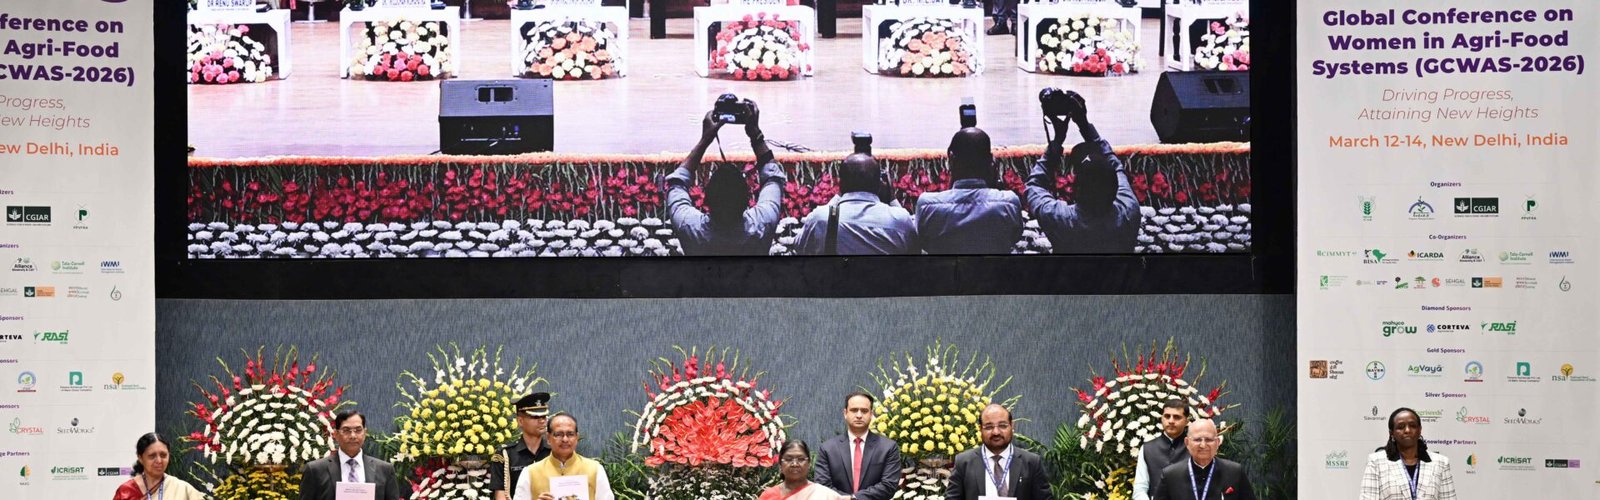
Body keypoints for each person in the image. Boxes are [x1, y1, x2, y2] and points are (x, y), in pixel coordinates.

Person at [664, 99, 786, 255]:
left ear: (706, 199)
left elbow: (677, 183)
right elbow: (773, 178)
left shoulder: (689, 225)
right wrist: (755, 134)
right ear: (748, 200)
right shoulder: (763, 221)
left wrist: (705, 139)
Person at [1025, 91, 1141, 254]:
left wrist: (1057, 140)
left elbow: (1033, 186)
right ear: (1115, 189)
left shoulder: (1061, 217)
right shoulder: (1129, 210)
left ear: (1075, 189)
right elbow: (1116, 166)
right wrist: (1084, 124)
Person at [914, 127, 1024, 254]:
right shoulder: (1009, 203)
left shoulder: (927, 205)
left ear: (951, 159)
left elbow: (922, 242)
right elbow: (1014, 237)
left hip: (946, 273)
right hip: (993, 273)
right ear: (990, 161)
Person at [793, 152, 918, 255]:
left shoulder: (821, 219)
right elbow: (914, 250)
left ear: (841, 185)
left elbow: (799, 246)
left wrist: (837, 196)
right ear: (879, 185)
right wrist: (892, 199)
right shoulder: (899, 220)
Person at [945, 404, 1052, 500]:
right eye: (989, 427)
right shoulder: (963, 462)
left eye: (1002, 426)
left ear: (1012, 426)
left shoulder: (1031, 462)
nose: (996, 432)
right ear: (980, 429)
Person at [814, 391, 902, 500]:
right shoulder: (827, 449)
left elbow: (888, 485)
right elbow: (822, 486)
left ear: (871, 414)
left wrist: (854, 498)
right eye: (854, 410)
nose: (859, 415)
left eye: (864, 411)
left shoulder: (888, 447)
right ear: (845, 413)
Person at [299, 410, 402, 500]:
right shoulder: (315, 470)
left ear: (365, 433)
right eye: (346, 430)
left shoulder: (385, 470)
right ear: (336, 434)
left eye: (358, 430)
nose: (353, 436)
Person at [1360, 408, 1458, 500]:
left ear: (1420, 430)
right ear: (1391, 433)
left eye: (1412, 425)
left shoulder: (1440, 462)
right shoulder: (1376, 462)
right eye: (1401, 427)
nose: (1407, 430)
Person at [512, 413, 616, 500]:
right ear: (548, 438)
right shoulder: (530, 473)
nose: (565, 439)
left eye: (570, 434)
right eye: (558, 434)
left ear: (577, 438)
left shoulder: (595, 469)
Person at [1150, 420, 1254, 500]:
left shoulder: (1235, 472)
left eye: (1208, 440)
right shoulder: (1170, 475)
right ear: (1187, 443)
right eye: (1197, 439)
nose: (1203, 445)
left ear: (1217, 443)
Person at [492, 392, 555, 500]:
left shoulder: (554, 452)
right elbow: (500, 496)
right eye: (535, 417)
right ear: (520, 421)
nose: (542, 421)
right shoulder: (505, 455)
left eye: (544, 416)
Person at [113, 433, 205, 500]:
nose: (159, 461)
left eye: (163, 455)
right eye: (152, 456)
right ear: (140, 458)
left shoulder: (182, 488)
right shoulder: (126, 491)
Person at [1132, 400, 1190, 500]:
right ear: (1161, 418)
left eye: (1177, 417)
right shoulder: (1147, 449)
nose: (1171, 421)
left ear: (1186, 421)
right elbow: (1140, 488)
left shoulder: (1195, 448)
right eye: (1167, 416)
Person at [760, 439, 850, 500]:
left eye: (801, 459)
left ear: (809, 464)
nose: (795, 464)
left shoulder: (824, 495)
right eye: (788, 459)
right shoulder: (768, 495)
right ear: (780, 464)